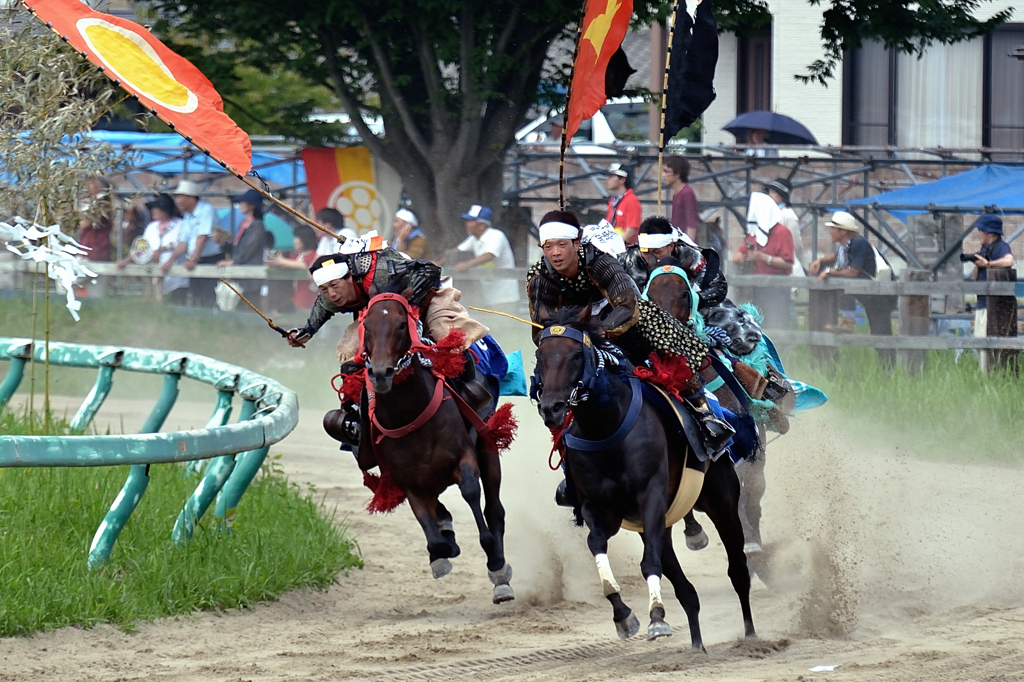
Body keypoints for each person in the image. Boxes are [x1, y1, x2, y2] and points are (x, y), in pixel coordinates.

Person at [527, 211, 733, 504]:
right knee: (550, 381)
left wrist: (600, 332)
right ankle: (571, 469)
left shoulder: (601, 262)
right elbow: (539, 324)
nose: (555, 253)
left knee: (670, 354)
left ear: (576, 243)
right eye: (549, 247)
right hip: (573, 331)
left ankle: (704, 416)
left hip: (623, 320)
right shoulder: (539, 276)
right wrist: (567, 338)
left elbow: (627, 304)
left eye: (562, 245)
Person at [808, 211, 896, 353]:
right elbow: (836, 256)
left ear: (843, 231)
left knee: (881, 334)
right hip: (872, 295)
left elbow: (853, 272)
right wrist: (821, 260)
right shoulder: (848, 245)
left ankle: (888, 368)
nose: (830, 231)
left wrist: (830, 272)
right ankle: (848, 323)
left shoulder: (858, 244)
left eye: (833, 228)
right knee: (879, 334)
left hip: (880, 297)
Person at [637, 216, 728, 312]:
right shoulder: (630, 259)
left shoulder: (690, 256)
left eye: (657, 252)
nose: (652, 257)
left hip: (692, 310)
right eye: (646, 253)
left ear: (671, 246)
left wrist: (690, 300)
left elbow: (718, 287)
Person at [965, 214, 1015, 372]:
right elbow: (976, 278)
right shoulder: (984, 249)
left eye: (980, 230)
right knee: (980, 343)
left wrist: (988, 264)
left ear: (989, 233)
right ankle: (983, 374)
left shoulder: (1001, 247)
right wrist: (977, 263)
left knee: (988, 345)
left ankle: (990, 375)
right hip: (981, 304)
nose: (978, 233)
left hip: (992, 306)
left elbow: (1009, 261)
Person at [118, 193, 188, 304]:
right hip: (155, 277)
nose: (153, 211)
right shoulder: (151, 228)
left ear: (166, 210)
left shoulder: (181, 225)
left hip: (176, 279)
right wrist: (126, 260)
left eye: (157, 208)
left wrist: (162, 249)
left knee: (176, 307)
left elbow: (182, 244)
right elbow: (142, 247)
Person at [164, 180, 223, 307]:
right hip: (196, 258)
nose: (177, 200)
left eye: (179, 196)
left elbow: (202, 237)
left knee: (208, 295)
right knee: (196, 295)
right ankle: (200, 323)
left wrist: (193, 259)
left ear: (190, 197)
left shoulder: (206, 210)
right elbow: (183, 241)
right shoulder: (187, 215)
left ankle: (213, 321)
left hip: (210, 259)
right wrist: (170, 260)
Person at [449, 204, 520, 309]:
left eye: (470, 221)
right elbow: (456, 250)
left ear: (482, 225)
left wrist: (466, 265)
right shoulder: (473, 239)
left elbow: (489, 255)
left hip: (506, 296)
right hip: (488, 296)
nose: (467, 224)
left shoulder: (496, 235)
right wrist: (437, 263)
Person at [216, 188, 268, 298]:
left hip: (250, 276)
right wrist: (222, 243)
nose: (240, 204)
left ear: (252, 206)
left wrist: (233, 262)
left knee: (250, 306)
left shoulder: (257, 225)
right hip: (239, 275)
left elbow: (250, 248)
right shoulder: (243, 224)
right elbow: (237, 248)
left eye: (243, 202)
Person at [267, 223, 320, 310]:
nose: (294, 241)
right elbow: (289, 264)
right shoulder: (297, 255)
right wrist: (276, 263)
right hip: (297, 295)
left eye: (297, 238)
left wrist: (282, 261)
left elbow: (304, 265)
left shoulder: (314, 254)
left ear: (305, 239)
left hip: (310, 297)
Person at [763, 177, 807, 277]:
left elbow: (796, 243)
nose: (770, 195)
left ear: (782, 195)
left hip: (788, 265)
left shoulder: (788, 215)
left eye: (774, 192)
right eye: (769, 192)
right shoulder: (769, 214)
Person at [77, 176, 113, 263]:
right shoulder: (95, 202)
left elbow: (88, 222)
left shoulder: (103, 202)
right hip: (87, 249)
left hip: (96, 250)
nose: (89, 186)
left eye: (92, 183)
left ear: (100, 186)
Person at [663, 157, 700, 240]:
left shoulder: (687, 193)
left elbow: (691, 224)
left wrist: (689, 247)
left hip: (684, 244)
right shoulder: (677, 193)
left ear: (677, 175)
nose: (663, 175)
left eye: (666, 171)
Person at [604, 163, 642, 245]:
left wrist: (616, 248)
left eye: (611, 176)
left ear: (622, 180)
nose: (607, 180)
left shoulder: (631, 200)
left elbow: (631, 232)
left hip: (625, 250)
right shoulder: (613, 202)